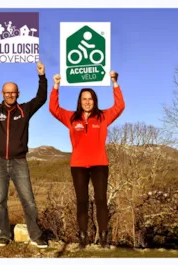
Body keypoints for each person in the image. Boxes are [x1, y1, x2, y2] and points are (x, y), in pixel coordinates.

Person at [0, 59, 48, 248]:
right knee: (0, 201)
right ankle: (4, 235)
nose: (10, 95)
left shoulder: (24, 110)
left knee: (29, 200)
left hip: (19, 161)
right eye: (7, 92)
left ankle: (35, 235)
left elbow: (41, 99)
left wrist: (42, 76)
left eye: (13, 92)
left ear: (17, 93)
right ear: (2, 94)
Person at [49, 72, 124, 249]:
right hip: (78, 165)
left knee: (100, 200)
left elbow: (119, 106)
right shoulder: (72, 118)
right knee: (82, 200)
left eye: (90, 98)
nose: (87, 101)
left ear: (94, 100)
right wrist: (56, 86)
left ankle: (104, 238)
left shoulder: (103, 117)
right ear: (80, 101)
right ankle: (82, 238)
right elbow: (54, 108)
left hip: (100, 164)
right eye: (84, 99)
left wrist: (114, 83)